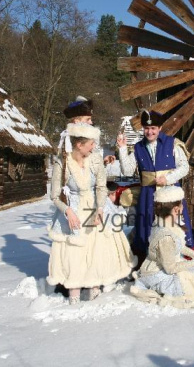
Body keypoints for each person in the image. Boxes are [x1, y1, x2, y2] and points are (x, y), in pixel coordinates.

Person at [47, 122, 134, 304]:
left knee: (96, 250)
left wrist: (101, 208)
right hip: (73, 210)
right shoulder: (62, 163)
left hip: (94, 208)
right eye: (91, 143)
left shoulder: (94, 160)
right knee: (74, 254)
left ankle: (95, 292)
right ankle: (74, 296)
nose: (94, 146)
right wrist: (68, 211)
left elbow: (101, 187)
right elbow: (54, 196)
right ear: (79, 145)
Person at [117, 110, 194, 260]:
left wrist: (168, 178)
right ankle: (148, 259)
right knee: (148, 225)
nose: (149, 132)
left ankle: (178, 257)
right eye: (146, 128)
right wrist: (122, 149)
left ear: (159, 128)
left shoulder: (173, 143)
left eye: (153, 128)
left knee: (173, 224)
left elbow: (184, 167)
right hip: (148, 195)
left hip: (170, 193)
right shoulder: (138, 148)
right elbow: (127, 170)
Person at [58, 95, 115, 166]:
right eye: (88, 119)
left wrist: (102, 162)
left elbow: (89, 168)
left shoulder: (87, 139)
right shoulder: (69, 143)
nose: (91, 122)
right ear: (76, 121)